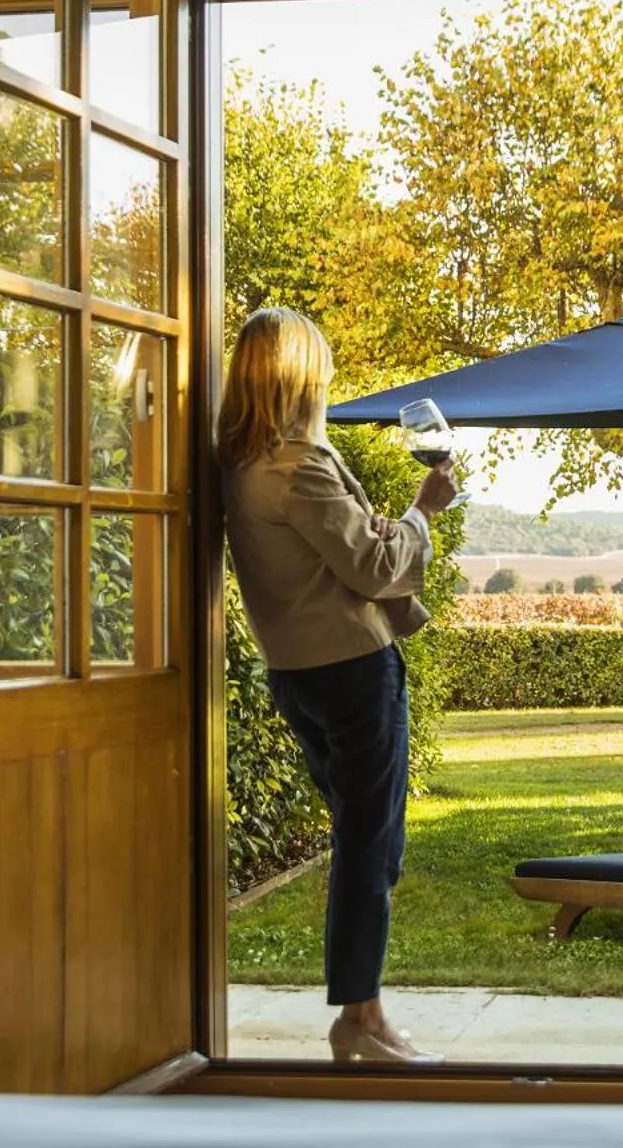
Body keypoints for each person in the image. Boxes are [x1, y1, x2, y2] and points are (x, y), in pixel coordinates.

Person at [219, 308, 459, 1065]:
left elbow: (346, 551)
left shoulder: (240, 467)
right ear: (296, 377)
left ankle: (364, 1011)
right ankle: (361, 1019)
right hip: (354, 671)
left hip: (296, 673)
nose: (325, 384)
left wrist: (392, 527)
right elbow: (376, 569)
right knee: (370, 845)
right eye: (319, 371)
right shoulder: (298, 465)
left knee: (367, 842)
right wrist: (422, 512)